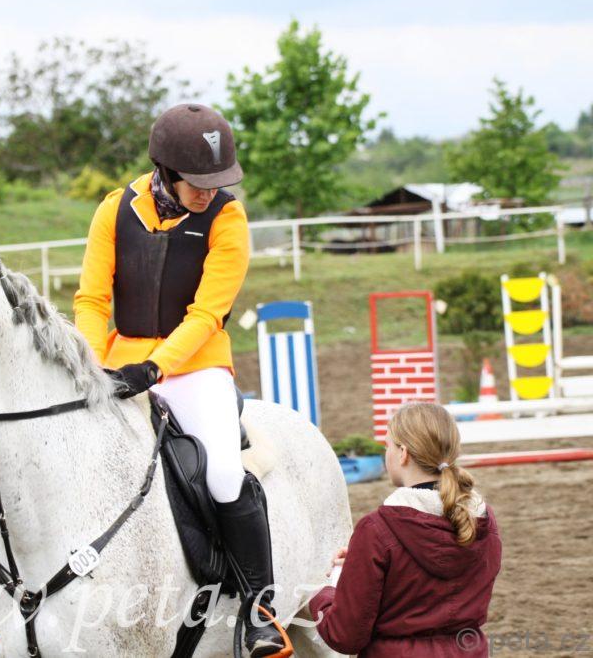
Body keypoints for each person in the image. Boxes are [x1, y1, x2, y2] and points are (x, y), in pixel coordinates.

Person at [73, 103, 285, 657]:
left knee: (223, 474)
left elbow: (207, 313)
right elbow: (92, 300)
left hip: (196, 367)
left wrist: (156, 368)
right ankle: (27, 593)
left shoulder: (227, 219)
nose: (208, 192)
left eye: (218, 181)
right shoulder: (114, 210)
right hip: (119, 363)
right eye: (197, 182)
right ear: (165, 170)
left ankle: (258, 609)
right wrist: (93, 367)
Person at [310, 402, 502, 657]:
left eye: (387, 445)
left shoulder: (376, 529)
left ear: (403, 453)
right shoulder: (483, 520)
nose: (386, 453)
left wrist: (323, 593)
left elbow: (344, 636)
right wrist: (359, 563)